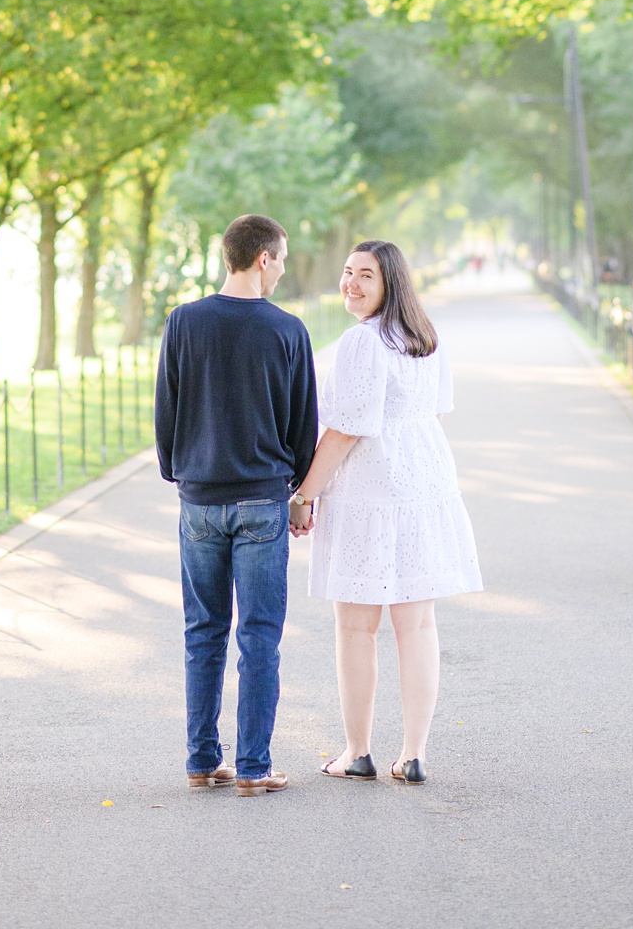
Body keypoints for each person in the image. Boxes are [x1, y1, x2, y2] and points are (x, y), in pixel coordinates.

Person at [290, 239, 483, 785]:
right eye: (347, 272)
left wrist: (305, 494)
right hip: (423, 488)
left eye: (365, 276)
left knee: (356, 626)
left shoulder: (362, 342)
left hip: (370, 494)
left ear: (389, 283)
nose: (350, 283)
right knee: (417, 624)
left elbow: (346, 428)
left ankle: (357, 750)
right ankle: (414, 753)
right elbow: (434, 416)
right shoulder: (427, 339)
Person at [154, 213, 317, 798]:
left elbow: (166, 410)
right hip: (262, 501)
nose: (282, 270)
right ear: (263, 258)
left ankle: (202, 761)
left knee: (203, 633)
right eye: (282, 258)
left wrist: (179, 472)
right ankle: (253, 767)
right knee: (258, 636)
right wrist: (299, 492)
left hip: (198, 499)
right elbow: (304, 425)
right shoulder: (287, 331)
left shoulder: (183, 323)